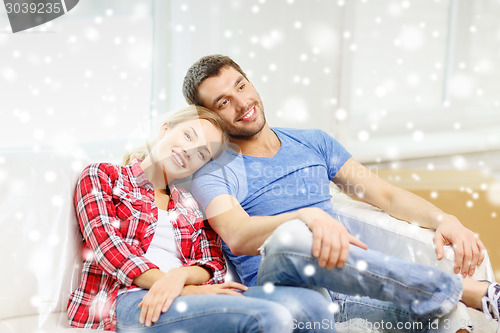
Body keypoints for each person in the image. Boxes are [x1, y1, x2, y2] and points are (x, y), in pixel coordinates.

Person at [183, 55, 500, 331]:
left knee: (449, 314)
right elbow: (237, 235)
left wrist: (444, 218)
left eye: (241, 86)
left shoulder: (313, 142)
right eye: (223, 102)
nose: (242, 103)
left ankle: (454, 295)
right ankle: (468, 289)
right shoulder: (212, 171)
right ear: (207, 116)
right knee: (292, 237)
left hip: (348, 286)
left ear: (251, 83)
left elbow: (385, 196)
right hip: (283, 287)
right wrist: (307, 216)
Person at [67, 105, 336, 333]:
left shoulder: (189, 203)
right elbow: (110, 250)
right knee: (268, 316)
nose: (188, 151)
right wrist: (178, 287)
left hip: (186, 291)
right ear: (165, 129)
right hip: (128, 297)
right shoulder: (104, 176)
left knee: (313, 303)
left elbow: (213, 263)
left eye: (202, 153)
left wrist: (181, 277)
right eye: (187, 135)